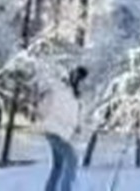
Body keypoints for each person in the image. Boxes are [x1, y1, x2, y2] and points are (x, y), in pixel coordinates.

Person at [40, 62, 89, 191]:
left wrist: (76, 126)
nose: (82, 83)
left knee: (58, 166)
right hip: (55, 131)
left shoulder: (74, 96)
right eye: (80, 79)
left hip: (59, 133)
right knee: (72, 161)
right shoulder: (61, 90)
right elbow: (45, 105)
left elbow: (72, 115)